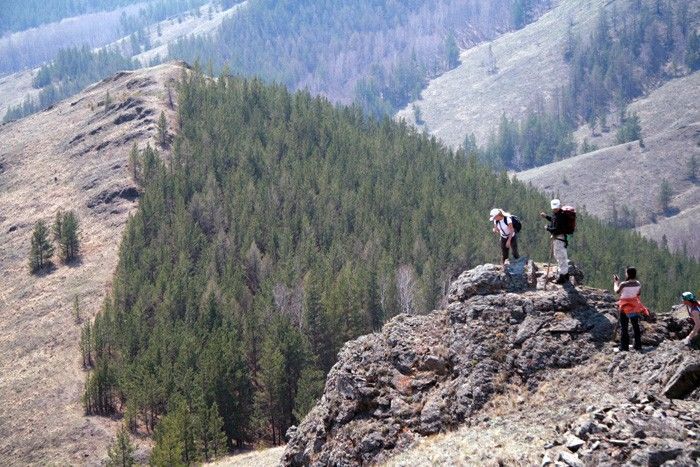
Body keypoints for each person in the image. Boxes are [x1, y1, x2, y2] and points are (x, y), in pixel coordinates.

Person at [613, 267, 649, 352]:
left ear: (628, 274)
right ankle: (638, 345)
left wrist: (616, 282)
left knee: (624, 327)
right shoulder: (638, 283)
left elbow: (617, 291)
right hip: (634, 306)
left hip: (624, 307)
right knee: (635, 326)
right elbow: (638, 293)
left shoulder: (623, 284)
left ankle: (624, 347)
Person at [540, 199, 569, 284]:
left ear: (559, 207)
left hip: (558, 239)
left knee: (560, 257)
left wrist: (547, 228)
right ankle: (566, 274)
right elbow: (553, 220)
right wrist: (546, 216)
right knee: (561, 256)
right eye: (554, 208)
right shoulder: (558, 214)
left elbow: (556, 230)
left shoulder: (560, 216)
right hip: (560, 238)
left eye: (555, 208)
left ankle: (561, 278)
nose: (554, 209)